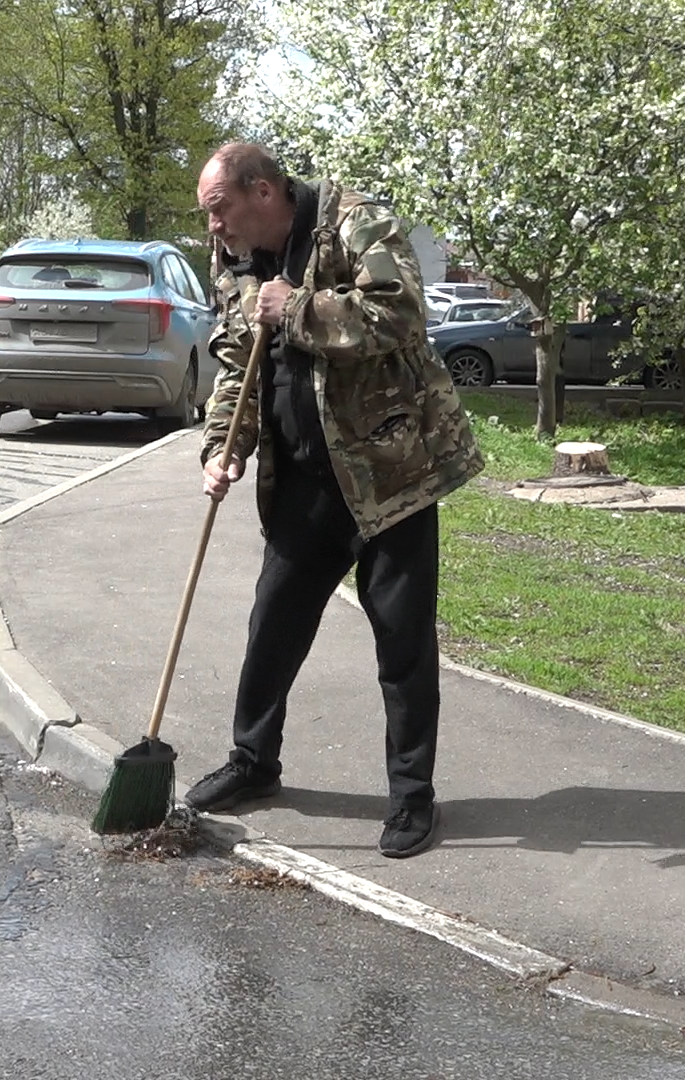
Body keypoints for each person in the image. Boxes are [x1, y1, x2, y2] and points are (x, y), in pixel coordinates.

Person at [184, 142, 485, 858]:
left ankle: (413, 798)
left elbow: (401, 313)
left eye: (219, 210)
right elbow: (236, 365)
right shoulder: (235, 261)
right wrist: (223, 448)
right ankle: (253, 762)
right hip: (302, 481)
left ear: (263, 191)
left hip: (390, 476)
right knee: (272, 627)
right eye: (207, 217)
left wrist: (296, 310)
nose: (214, 229)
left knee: (402, 643)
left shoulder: (355, 223)